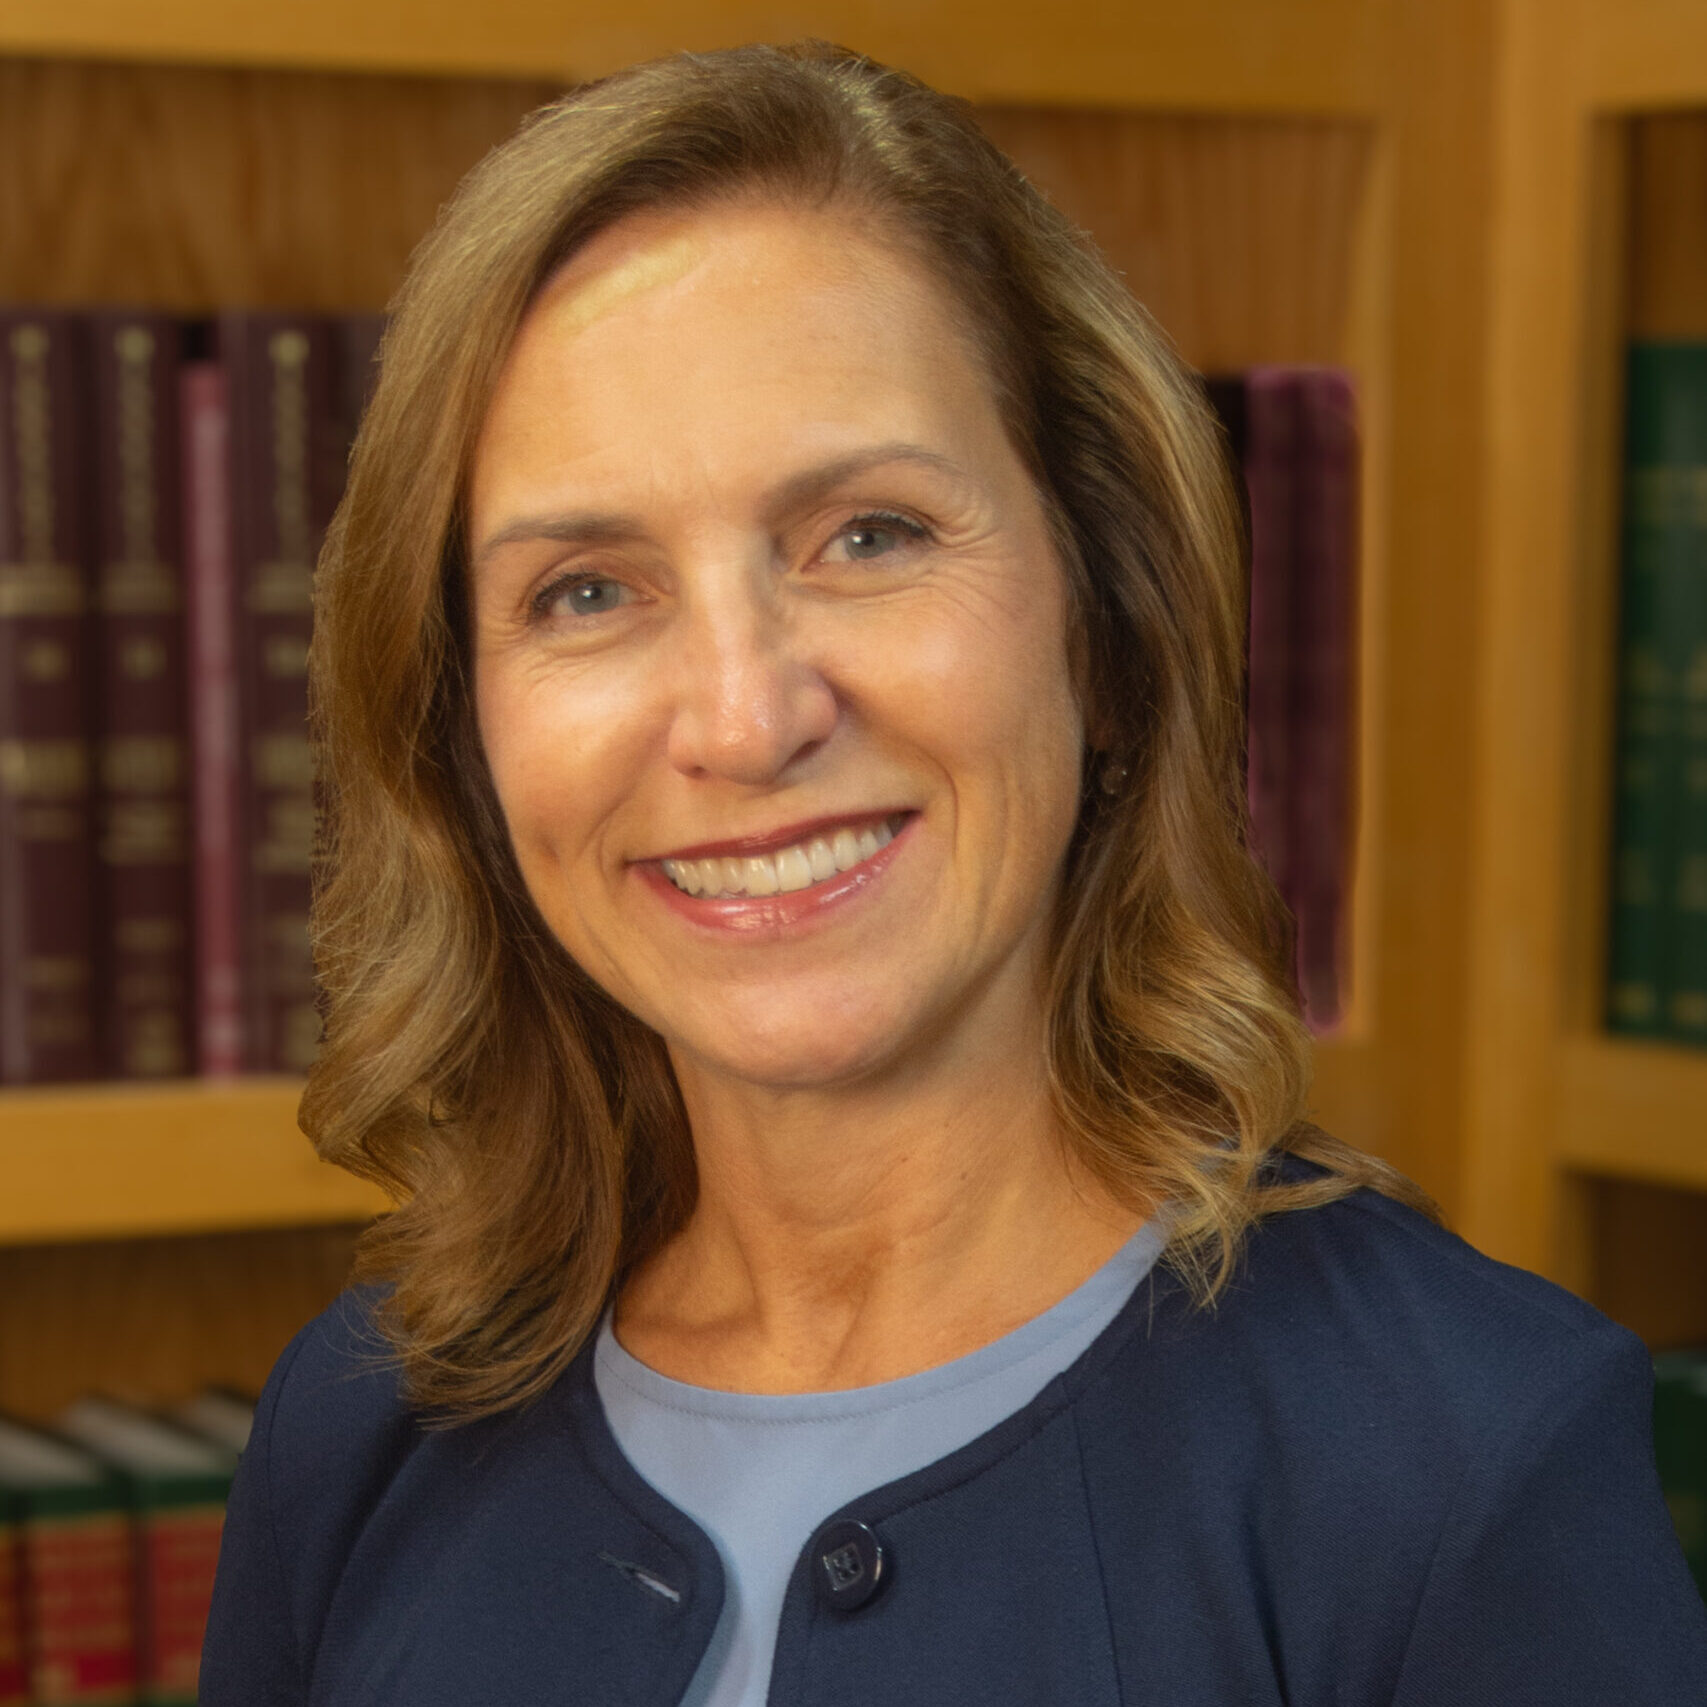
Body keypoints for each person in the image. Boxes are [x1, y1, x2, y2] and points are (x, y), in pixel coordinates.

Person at [199, 42, 1707, 1706]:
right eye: (585, 592)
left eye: (869, 536)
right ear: (464, 736)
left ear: (1111, 631)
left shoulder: (1462, 1466)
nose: (746, 717)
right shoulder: (353, 1442)